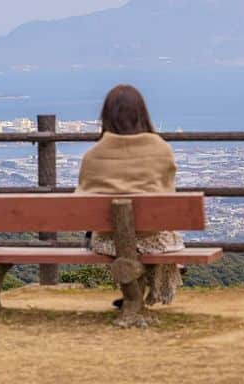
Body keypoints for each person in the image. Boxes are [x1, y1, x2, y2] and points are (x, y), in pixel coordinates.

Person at [76, 84, 184, 307]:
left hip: (108, 241)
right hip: (152, 237)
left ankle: (132, 295)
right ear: (142, 114)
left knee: (117, 237)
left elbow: (82, 199)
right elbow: (168, 194)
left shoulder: (92, 156)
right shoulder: (162, 150)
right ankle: (141, 294)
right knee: (163, 234)